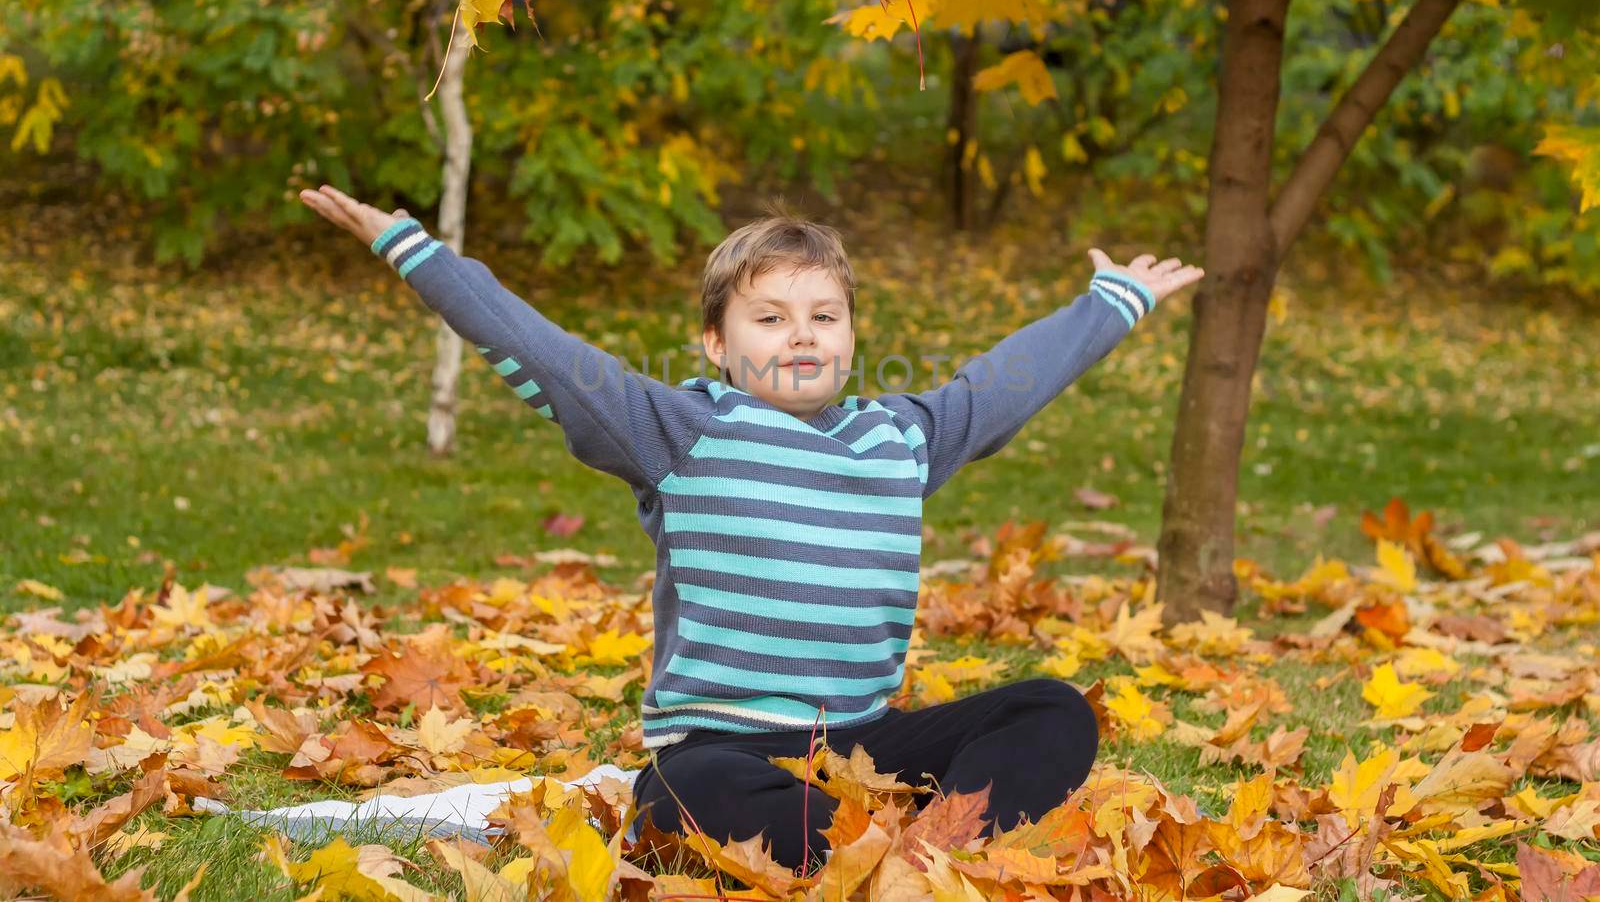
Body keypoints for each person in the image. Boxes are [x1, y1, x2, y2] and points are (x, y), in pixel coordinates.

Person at [298, 184, 1203, 871]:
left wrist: (1111, 300)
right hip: (722, 752)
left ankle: (924, 857)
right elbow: (546, 356)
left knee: (1050, 709)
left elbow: (1006, 385)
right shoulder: (681, 431)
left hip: (864, 752)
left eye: (823, 316)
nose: (800, 335)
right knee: (692, 793)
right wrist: (418, 254)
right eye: (769, 318)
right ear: (717, 344)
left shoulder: (899, 438)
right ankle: (878, 862)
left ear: (850, 335)